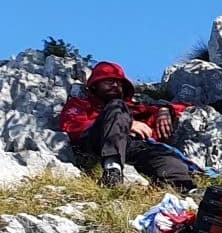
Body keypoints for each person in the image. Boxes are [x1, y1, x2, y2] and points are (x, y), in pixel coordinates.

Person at [55, 62, 196, 193]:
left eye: (119, 83)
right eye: (109, 81)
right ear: (95, 85)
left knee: (168, 159)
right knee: (116, 106)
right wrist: (125, 124)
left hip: (132, 146)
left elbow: (186, 106)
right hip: (96, 140)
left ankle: (187, 190)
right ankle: (112, 171)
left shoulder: (135, 108)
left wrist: (165, 110)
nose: (115, 85)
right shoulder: (81, 104)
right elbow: (71, 126)